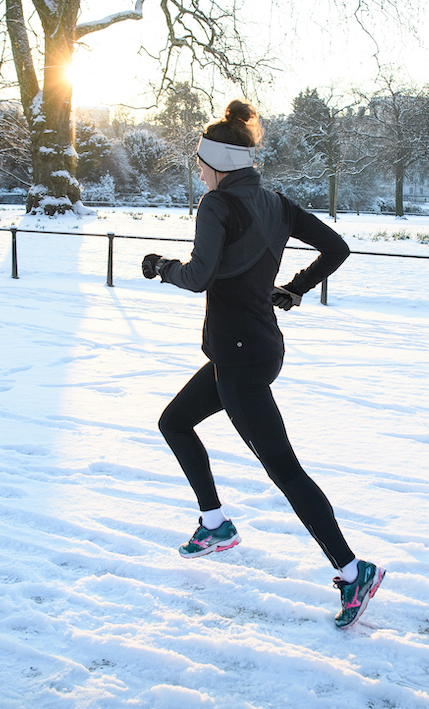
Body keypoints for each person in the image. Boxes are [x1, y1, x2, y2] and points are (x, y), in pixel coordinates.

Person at [141, 100, 383, 630]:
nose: (198, 170)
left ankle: (351, 570)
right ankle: (215, 523)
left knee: (283, 468)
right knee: (174, 422)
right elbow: (336, 248)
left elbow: (200, 275)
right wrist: (294, 290)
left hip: (240, 358)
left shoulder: (216, 205)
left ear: (218, 163)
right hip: (254, 348)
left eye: (201, 163)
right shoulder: (275, 201)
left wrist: (162, 268)